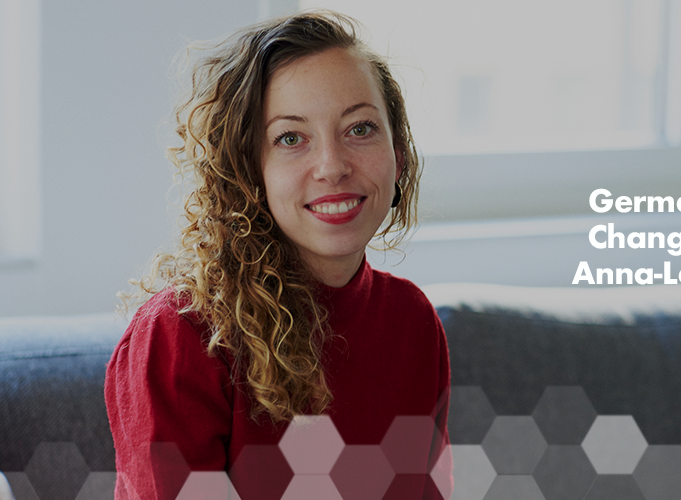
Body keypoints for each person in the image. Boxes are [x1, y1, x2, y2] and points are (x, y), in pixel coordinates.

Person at [104, 11, 451, 500]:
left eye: (360, 129)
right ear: (248, 172)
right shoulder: (181, 335)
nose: (332, 166)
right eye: (291, 138)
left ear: (400, 155)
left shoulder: (413, 321)